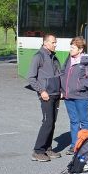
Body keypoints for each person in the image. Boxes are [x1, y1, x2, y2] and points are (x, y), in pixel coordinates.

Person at [27, 34, 62, 162]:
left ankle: (47, 148)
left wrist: (61, 90)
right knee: (47, 122)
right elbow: (31, 77)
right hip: (46, 95)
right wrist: (41, 91)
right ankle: (38, 151)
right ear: (46, 43)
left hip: (55, 94)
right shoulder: (39, 56)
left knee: (52, 122)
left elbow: (59, 75)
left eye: (55, 42)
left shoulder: (53, 57)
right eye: (53, 42)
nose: (55, 44)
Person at [60, 36, 88, 155]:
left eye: (73, 47)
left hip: (81, 96)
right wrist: (63, 89)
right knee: (74, 121)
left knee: (84, 121)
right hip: (68, 96)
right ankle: (74, 145)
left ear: (80, 49)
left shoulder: (87, 60)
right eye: (70, 46)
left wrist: (78, 87)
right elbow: (63, 73)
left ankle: (86, 146)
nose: (70, 49)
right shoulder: (69, 59)